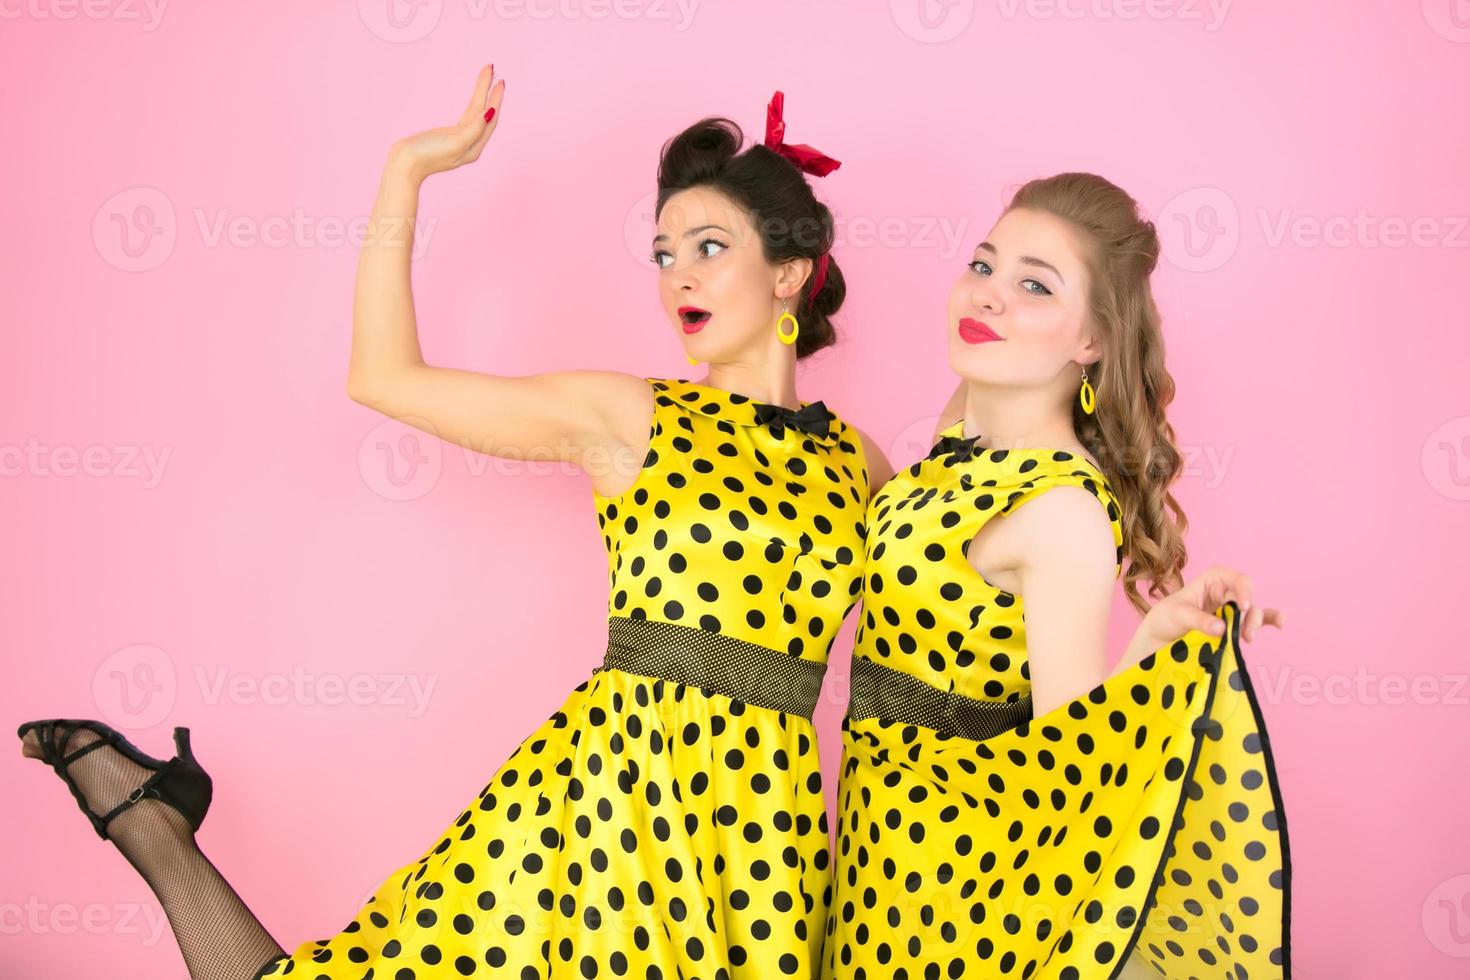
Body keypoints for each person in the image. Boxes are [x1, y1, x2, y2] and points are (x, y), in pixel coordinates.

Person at [18, 69, 895, 980]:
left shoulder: (862, 466)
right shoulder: (633, 415)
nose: (679, 277)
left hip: (769, 822)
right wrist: (407, 171)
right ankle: (156, 830)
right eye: (665, 255)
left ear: (789, 272)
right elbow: (384, 377)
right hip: (620, 797)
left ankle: (159, 817)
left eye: (709, 247)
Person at [822, 172, 1291, 979]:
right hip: (876, 855)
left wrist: (1149, 639)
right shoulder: (965, 430)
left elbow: (1069, 761)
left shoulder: (1059, 511)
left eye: (1034, 285)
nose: (989, 297)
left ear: (1093, 341)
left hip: (955, 893)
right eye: (983, 265)